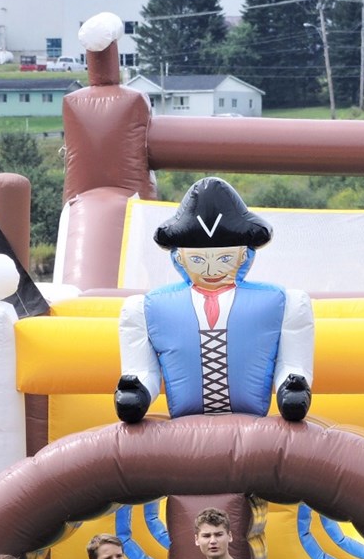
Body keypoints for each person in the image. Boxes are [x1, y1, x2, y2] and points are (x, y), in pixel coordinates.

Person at [115, 176, 314, 423]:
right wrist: (137, 390)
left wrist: (292, 388)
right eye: (198, 260)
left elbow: (293, 364)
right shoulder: (149, 308)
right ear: (180, 258)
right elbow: (142, 369)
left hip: (252, 423)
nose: (211, 271)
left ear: (244, 256)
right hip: (184, 425)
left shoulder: (281, 304)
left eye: (224, 259)